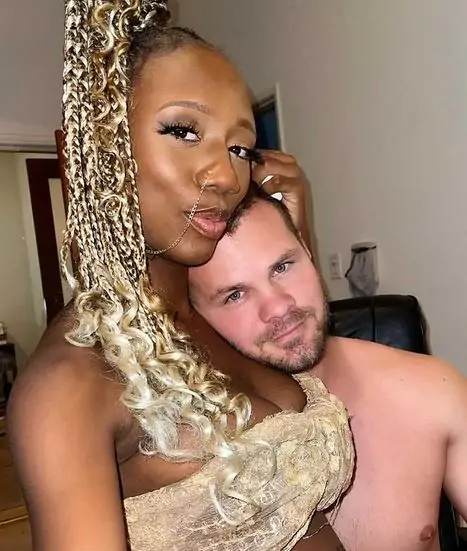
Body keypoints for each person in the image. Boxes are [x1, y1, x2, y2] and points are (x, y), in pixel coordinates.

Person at [7, 2, 354, 550]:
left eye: (239, 148)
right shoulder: (70, 384)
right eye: (185, 131)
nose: (227, 176)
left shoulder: (219, 313)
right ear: (103, 150)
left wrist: (296, 231)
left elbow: (312, 354)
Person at [188, 184, 467, 551]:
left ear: (308, 251)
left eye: (282, 267)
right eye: (235, 294)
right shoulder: (185, 451)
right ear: (194, 317)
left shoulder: (431, 389)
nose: (278, 307)